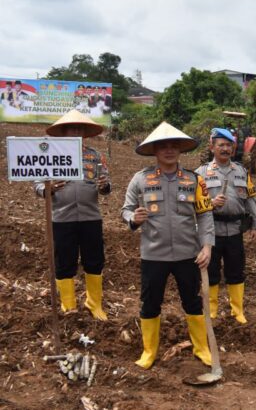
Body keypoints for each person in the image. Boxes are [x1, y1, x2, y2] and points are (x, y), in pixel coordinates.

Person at [121, 121, 214, 369]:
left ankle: (202, 348)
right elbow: (126, 209)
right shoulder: (140, 179)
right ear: (154, 151)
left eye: (174, 146)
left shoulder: (195, 180)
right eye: (163, 146)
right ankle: (149, 352)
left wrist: (207, 246)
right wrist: (132, 219)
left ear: (180, 150)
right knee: (150, 302)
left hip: (188, 254)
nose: (169, 150)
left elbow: (205, 215)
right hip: (154, 254)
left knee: (192, 301)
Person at [34, 110, 111, 320]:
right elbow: (38, 184)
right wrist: (48, 189)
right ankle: (68, 305)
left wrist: (105, 186)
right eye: (71, 128)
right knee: (64, 262)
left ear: (85, 133)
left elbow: (105, 183)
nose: (76, 132)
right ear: (63, 131)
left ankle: (94, 304)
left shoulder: (95, 156)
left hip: (91, 217)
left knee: (94, 261)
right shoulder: (49, 155)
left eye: (80, 128)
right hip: (62, 217)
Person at [195, 128, 256, 324]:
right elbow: (192, 205)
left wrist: (255, 225)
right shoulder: (201, 173)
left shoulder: (241, 171)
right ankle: (212, 310)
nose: (225, 149)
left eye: (228, 145)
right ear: (212, 147)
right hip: (210, 231)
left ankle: (237, 310)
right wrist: (211, 203)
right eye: (221, 145)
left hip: (234, 231)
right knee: (212, 270)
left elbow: (250, 199)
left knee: (236, 270)